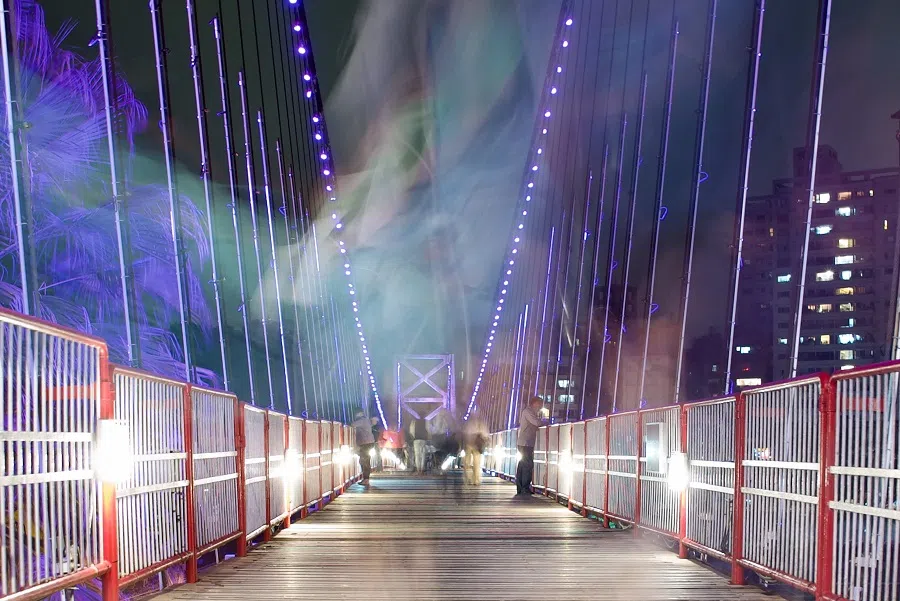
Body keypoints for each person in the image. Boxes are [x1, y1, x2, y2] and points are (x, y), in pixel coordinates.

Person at [516, 396, 544, 496]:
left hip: (526, 442)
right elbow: (536, 422)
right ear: (534, 403)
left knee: (523, 464)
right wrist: (543, 422)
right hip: (525, 443)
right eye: (539, 404)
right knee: (527, 465)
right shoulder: (528, 412)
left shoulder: (529, 412)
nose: (541, 406)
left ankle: (521, 488)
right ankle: (524, 488)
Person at [351, 410, 376, 489]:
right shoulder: (366, 420)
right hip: (368, 442)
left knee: (364, 460)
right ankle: (366, 479)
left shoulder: (361, 421)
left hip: (365, 443)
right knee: (365, 460)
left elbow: (352, 425)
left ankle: (366, 479)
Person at [464, 414, 489, 486]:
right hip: (477, 445)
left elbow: (465, 434)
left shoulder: (468, 423)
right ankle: (476, 480)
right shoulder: (482, 424)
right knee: (476, 464)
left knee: (467, 463)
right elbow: (486, 434)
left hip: (469, 444)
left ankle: (469, 479)